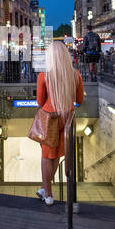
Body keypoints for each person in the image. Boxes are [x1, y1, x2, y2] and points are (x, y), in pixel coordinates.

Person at [36, 42, 84, 206]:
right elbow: (80, 100)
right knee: (56, 155)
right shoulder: (75, 74)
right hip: (68, 119)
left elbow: (40, 102)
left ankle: (48, 195)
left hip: (50, 119)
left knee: (46, 156)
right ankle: (44, 188)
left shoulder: (44, 75)